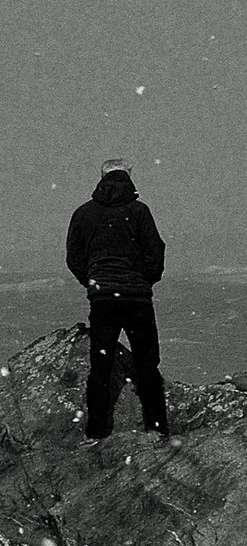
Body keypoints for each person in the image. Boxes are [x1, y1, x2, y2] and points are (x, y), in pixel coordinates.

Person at [65, 158, 169, 441]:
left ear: (102, 177)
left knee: (101, 367)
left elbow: (73, 256)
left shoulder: (84, 214)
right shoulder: (139, 212)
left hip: (103, 300)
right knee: (147, 364)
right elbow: (155, 252)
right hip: (137, 299)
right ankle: (157, 430)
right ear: (129, 176)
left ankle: (97, 433)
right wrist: (144, 280)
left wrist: (93, 281)